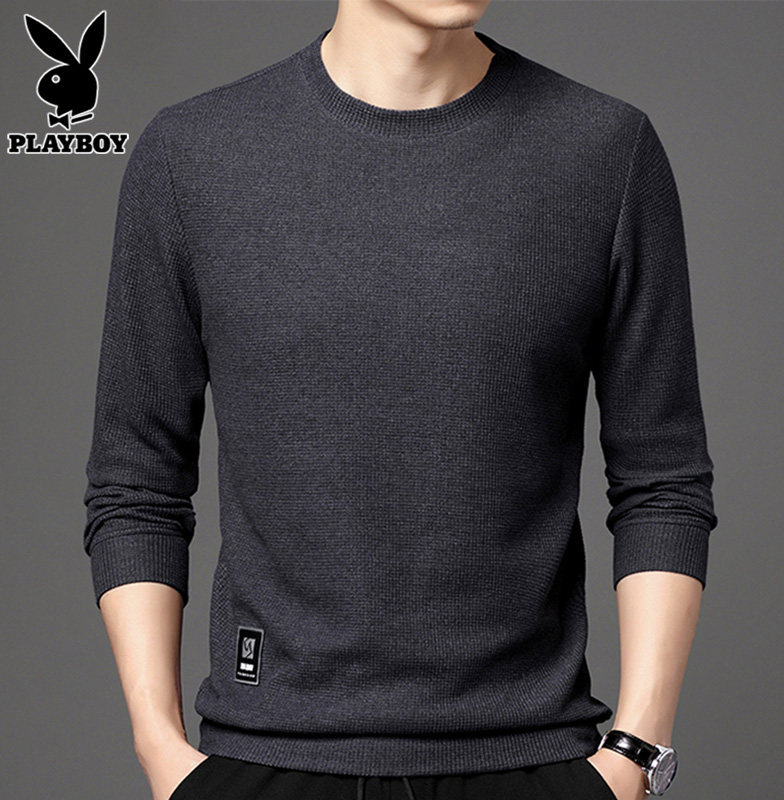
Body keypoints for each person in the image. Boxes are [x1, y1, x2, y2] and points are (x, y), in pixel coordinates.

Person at [82, 1, 719, 798]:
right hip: (265, 760)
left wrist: (634, 755)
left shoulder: (604, 151)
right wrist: (161, 750)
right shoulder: (193, 155)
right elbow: (136, 482)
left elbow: (663, 481)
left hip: (532, 762)